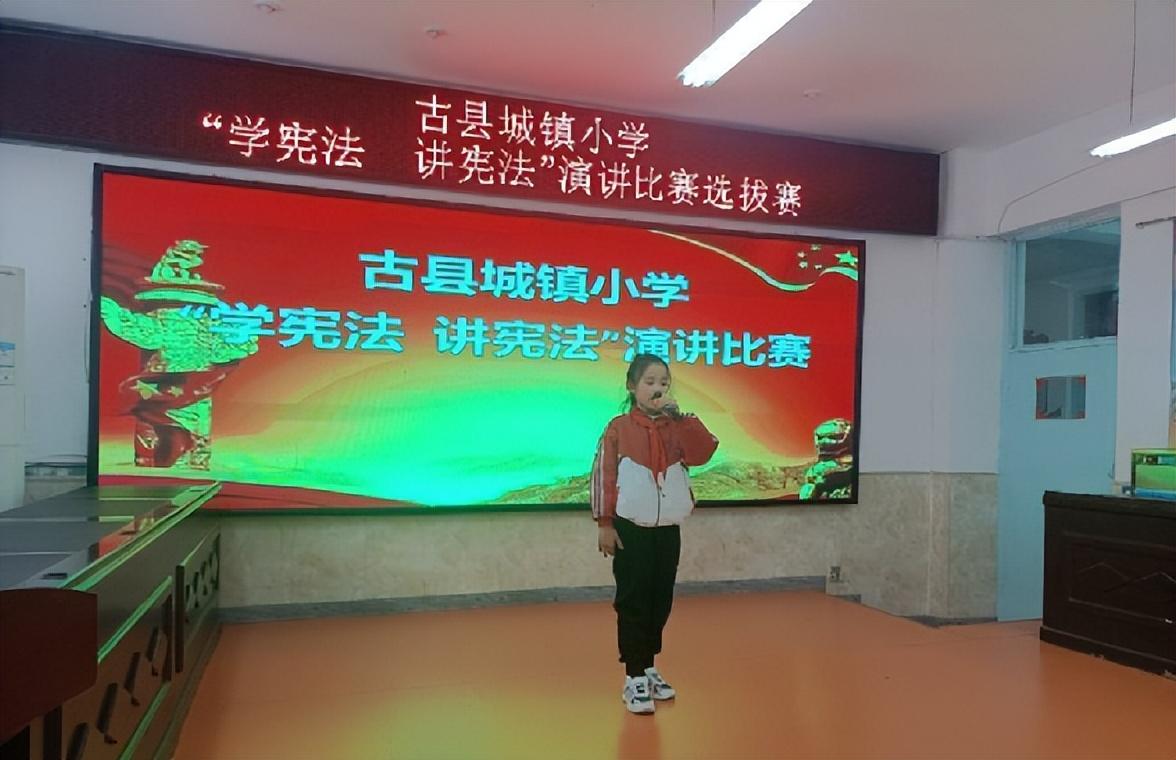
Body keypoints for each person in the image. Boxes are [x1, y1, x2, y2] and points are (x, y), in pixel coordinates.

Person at [590, 353, 719, 714]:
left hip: (667, 531)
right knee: (633, 600)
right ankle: (633, 675)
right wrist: (604, 523)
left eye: (663, 382)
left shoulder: (677, 426)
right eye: (649, 382)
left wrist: (682, 419)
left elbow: (704, 452)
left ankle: (648, 666)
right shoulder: (618, 428)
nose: (657, 389)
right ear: (632, 387)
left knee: (659, 601)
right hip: (631, 529)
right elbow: (603, 476)